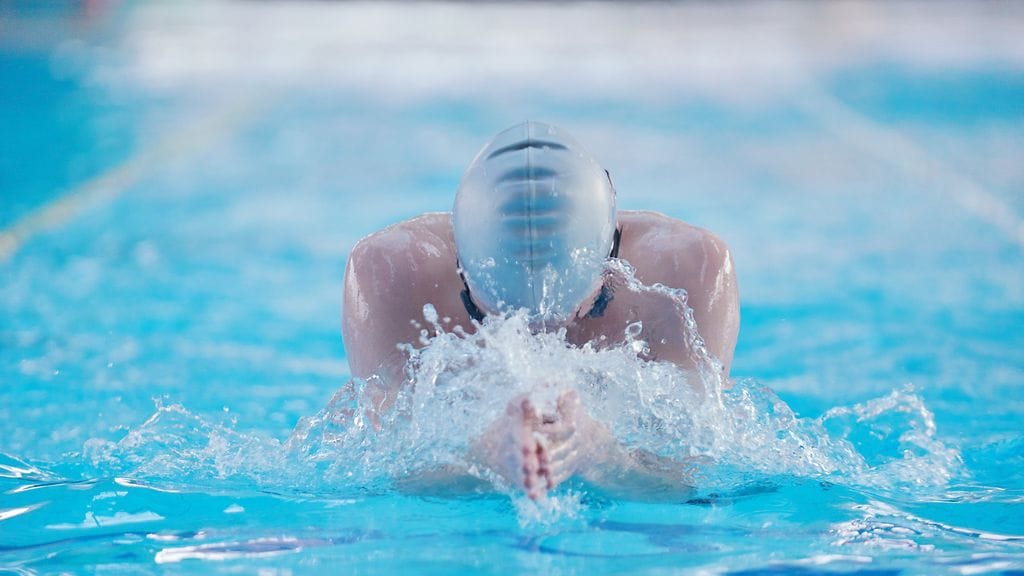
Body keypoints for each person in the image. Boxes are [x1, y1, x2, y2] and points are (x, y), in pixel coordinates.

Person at [342, 122, 739, 499]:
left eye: (574, 314)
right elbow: (390, 473)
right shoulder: (390, 274)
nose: (539, 339)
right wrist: (484, 457)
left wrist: (601, 454)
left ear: (609, 265)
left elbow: (687, 479)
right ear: (460, 267)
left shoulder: (687, 272)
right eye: (496, 319)